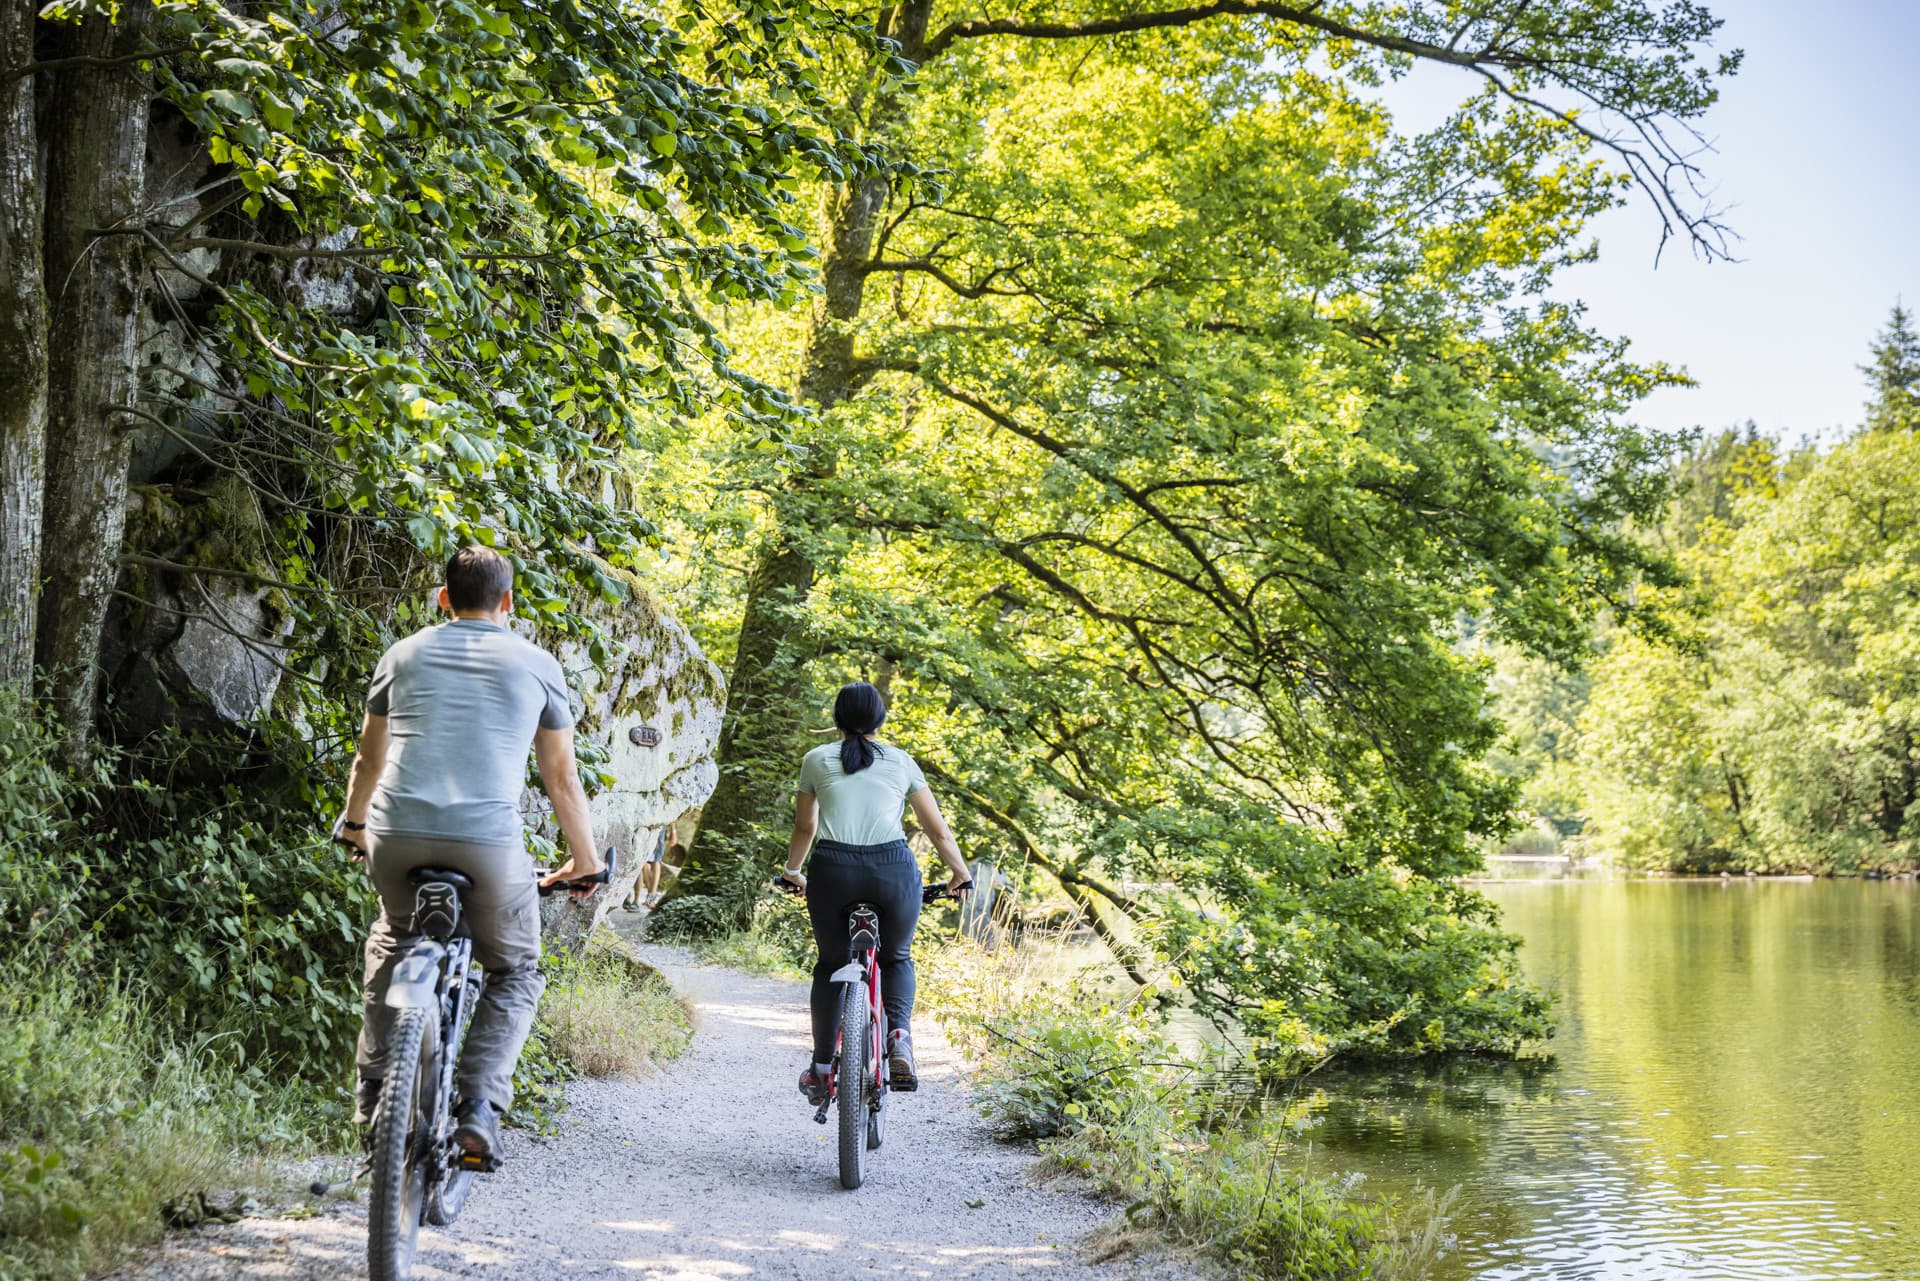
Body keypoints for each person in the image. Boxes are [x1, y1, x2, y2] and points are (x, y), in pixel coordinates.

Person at [333, 546, 605, 1167]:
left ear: (443, 599)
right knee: (514, 969)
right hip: (488, 846)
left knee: (391, 939)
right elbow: (561, 780)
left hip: (395, 836)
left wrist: (353, 827)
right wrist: (584, 862)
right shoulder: (537, 664)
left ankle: (375, 1094)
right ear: (508, 602)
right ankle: (478, 1106)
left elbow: (370, 762)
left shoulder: (402, 654)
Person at [776, 682, 969, 1100]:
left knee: (830, 964)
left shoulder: (816, 759)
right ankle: (899, 1037)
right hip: (892, 871)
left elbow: (805, 828)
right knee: (896, 956)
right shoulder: (901, 762)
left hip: (833, 871)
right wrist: (960, 874)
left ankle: (822, 1067)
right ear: (880, 721)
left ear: (837, 720)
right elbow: (936, 829)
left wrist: (793, 871)